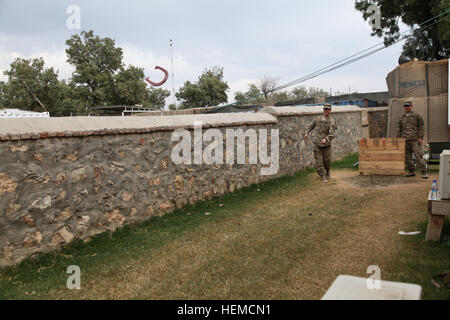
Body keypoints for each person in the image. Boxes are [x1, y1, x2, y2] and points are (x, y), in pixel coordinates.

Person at [304, 104, 337, 183]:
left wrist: (326, 139)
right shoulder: (318, 119)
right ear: (323, 110)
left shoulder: (331, 122)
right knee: (319, 161)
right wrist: (306, 133)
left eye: (327, 109)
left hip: (326, 145)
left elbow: (332, 134)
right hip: (317, 143)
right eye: (325, 109)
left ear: (330, 111)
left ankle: (328, 171)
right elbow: (310, 126)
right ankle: (323, 176)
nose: (326, 111)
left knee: (327, 161)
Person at [396, 101, 428, 179]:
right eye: (405, 106)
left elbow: (421, 127)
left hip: (415, 140)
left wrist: (420, 138)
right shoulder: (401, 117)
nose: (406, 107)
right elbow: (399, 129)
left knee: (418, 156)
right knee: (407, 157)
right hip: (405, 139)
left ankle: (424, 172)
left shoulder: (416, 116)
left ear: (411, 106)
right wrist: (398, 139)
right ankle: (411, 171)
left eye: (408, 106)